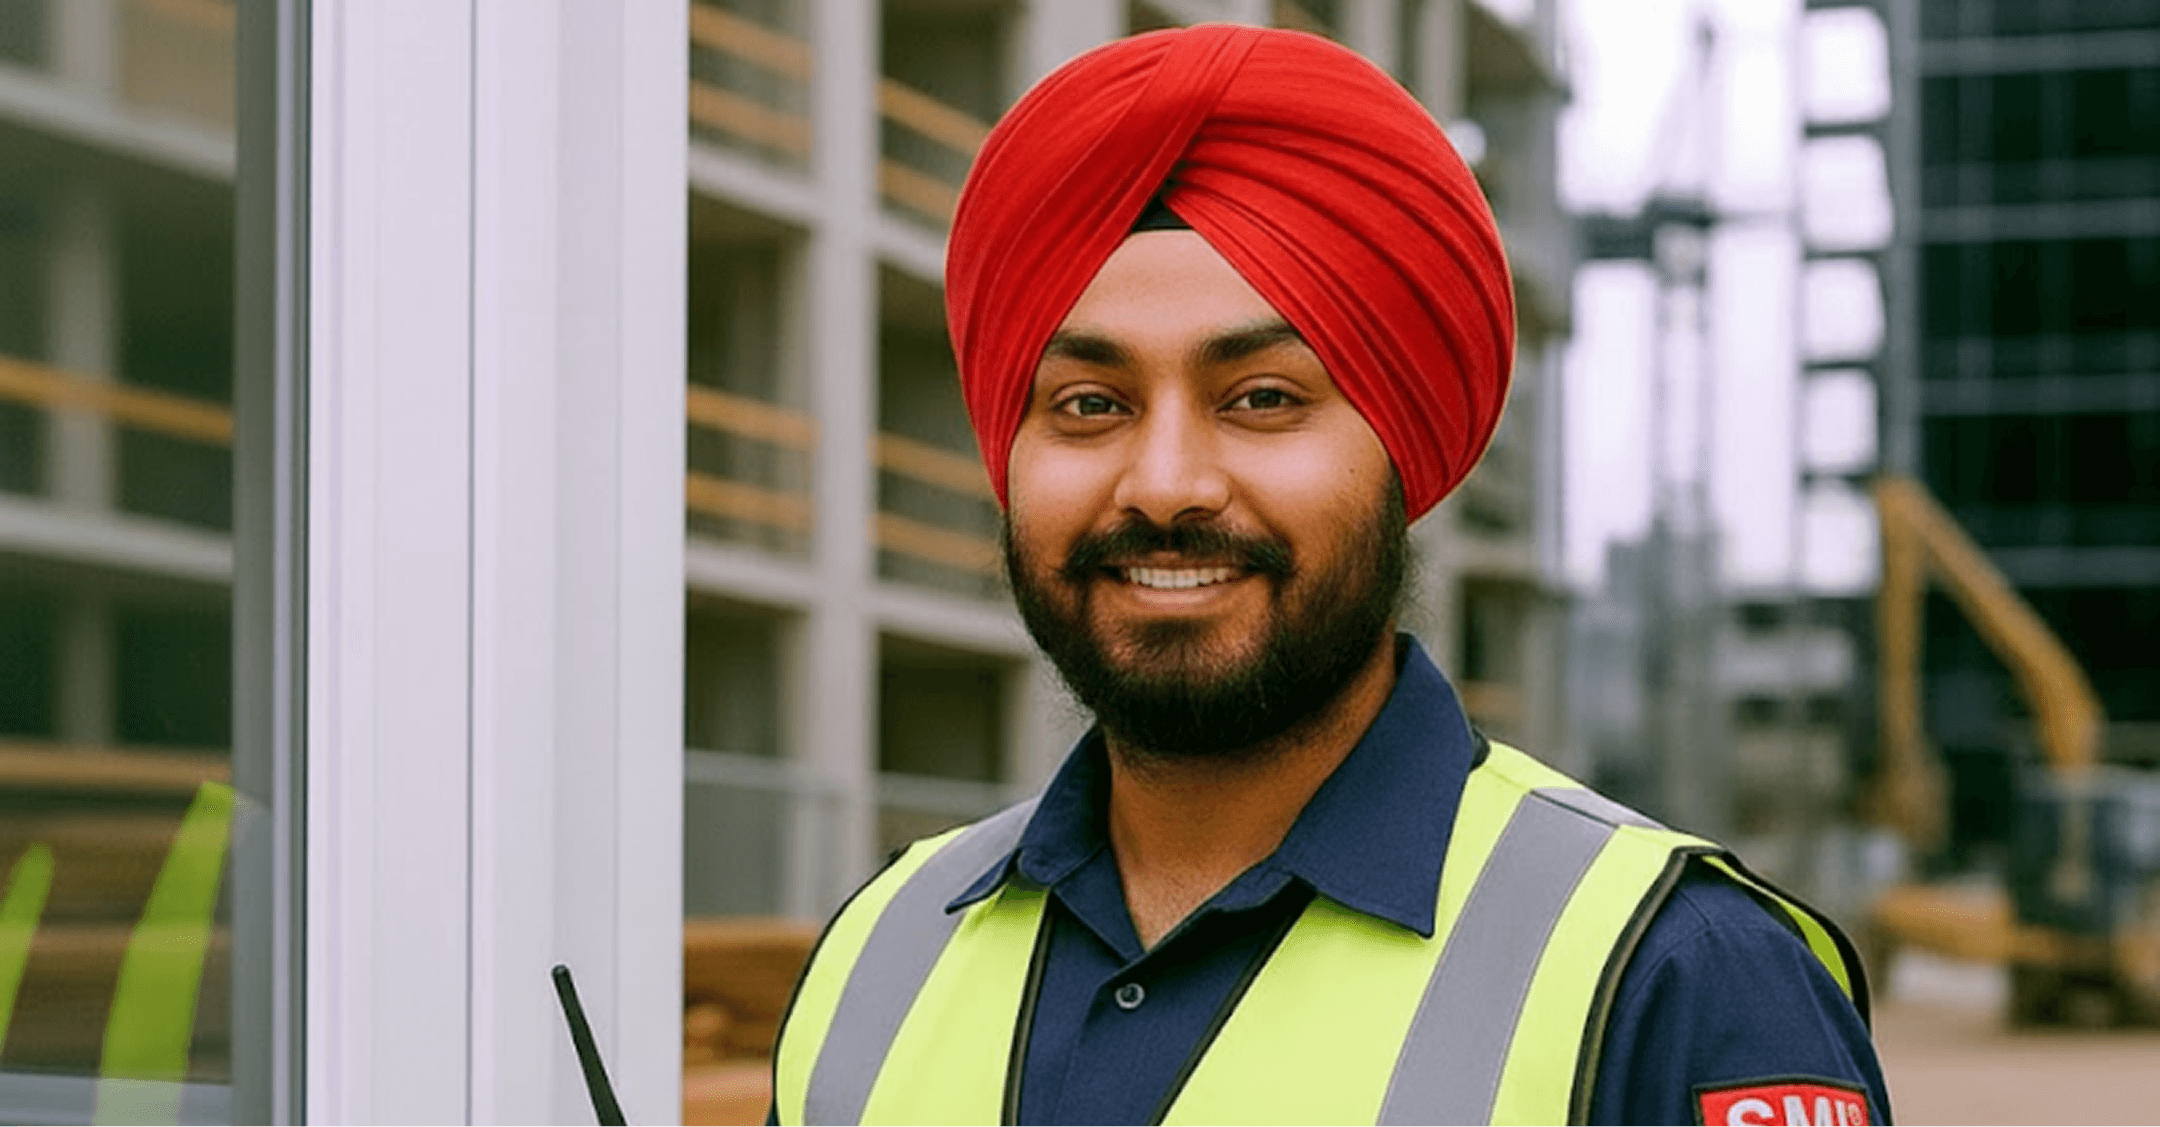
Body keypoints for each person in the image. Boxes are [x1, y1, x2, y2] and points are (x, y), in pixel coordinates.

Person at [770, 24, 1891, 1127]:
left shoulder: (1681, 979)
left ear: (1400, 449)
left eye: (1262, 398)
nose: (1164, 483)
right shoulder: (881, 951)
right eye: (1088, 406)